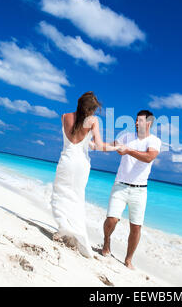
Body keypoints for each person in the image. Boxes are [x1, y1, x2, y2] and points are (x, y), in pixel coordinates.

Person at [51, 92, 120, 259]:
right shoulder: (92, 121)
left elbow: (77, 142)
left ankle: (64, 227)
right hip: (81, 164)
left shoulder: (65, 116)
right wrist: (115, 147)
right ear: (90, 110)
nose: (94, 114)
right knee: (77, 198)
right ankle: (76, 233)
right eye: (94, 110)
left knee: (60, 194)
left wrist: (109, 145)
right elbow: (98, 146)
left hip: (66, 161)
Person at [102, 110, 161, 269]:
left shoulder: (154, 140)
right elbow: (110, 146)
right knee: (112, 219)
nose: (136, 123)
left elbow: (149, 157)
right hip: (120, 185)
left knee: (136, 227)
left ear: (148, 123)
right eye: (135, 120)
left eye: (139, 121)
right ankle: (106, 242)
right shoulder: (126, 136)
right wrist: (93, 142)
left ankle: (128, 259)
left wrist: (128, 151)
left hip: (140, 191)